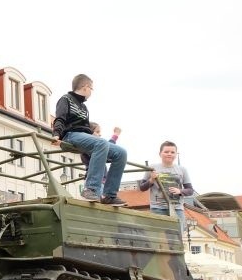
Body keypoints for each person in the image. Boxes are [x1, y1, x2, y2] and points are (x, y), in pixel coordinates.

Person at [52, 75, 127, 206]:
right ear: (86, 87)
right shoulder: (65, 99)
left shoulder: (84, 108)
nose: (91, 93)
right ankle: (90, 189)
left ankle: (109, 195)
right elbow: (60, 118)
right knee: (101, 143)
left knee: (121, 153)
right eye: (91, 89)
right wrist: (56, 134)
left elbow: (85, 128)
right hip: (70, 134)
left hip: (84, 136)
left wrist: (95, 136)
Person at [138, 141, 194, 232]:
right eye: (166, 152)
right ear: (160, 153)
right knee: (159, 236)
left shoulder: (182, 169)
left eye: (172, 152)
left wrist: (180, 191)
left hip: (177, 208)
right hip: (158, 208)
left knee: (177, 236)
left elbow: (190, 190)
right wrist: (151, 180)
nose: (169, 154)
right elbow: (142, 188)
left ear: (176, 154)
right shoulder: (152, 168)